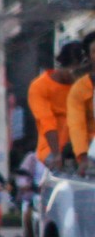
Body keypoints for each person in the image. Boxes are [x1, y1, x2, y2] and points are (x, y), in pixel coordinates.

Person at [28, 40, 87, 171]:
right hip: (54, 150)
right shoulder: (40, 86)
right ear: (63, 67)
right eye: (74, 73)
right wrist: (56, 154)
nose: (77, 78)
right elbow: (47, 121)